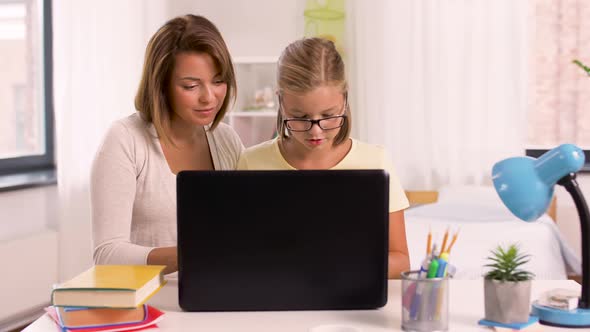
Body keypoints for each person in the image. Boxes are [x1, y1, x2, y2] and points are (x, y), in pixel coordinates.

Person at [237, 37, 410, 278]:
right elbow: (238, 253)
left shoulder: (376, 161)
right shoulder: (251, 162)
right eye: (300, 116)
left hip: (351, 297)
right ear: (280, 101)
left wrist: (342, 268)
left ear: (345, 99)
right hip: (277, 296)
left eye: (328, 115)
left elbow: (401, 261)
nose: (315, 131)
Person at [91, 15, 244, 275]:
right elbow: (107, 254)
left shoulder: (226, 139)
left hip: (215, 288)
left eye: (218, 81)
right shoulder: (125, 139)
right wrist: (194, 254)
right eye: (191, 85)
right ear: (161, 85)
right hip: (150, 301)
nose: (209, 97)